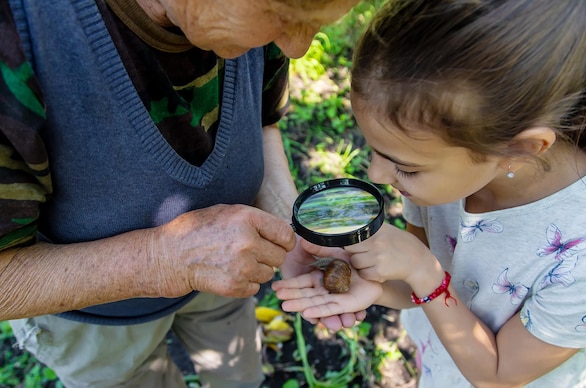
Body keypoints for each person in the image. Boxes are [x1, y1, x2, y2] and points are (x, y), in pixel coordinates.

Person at [0, 0, 362, 386]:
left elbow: (258, 119)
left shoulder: (248, 18)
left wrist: (290, 229)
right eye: (287, 16)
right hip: (97, 323)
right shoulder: (17, 33)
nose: (297, 47)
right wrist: (166, 260)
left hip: (222, 271)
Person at [272, 0, 586, 386]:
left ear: (519, 150)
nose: (376, 173)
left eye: (404, 165)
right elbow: (420, 291)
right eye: (375, 150)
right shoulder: (440, 177)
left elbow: (498, 375)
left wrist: (423, 270)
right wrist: (375, 283)